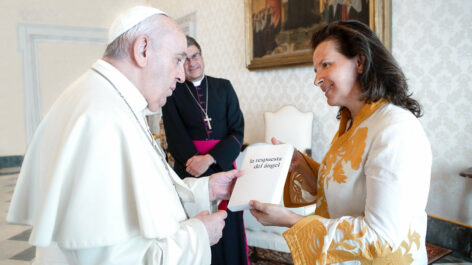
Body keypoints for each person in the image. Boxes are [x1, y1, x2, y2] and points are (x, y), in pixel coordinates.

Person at [7, 6, 243, 265]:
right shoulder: (102, 118)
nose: (180, 73)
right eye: (177, 59)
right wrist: (198, 235)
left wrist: (205, 189)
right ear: (143, 50)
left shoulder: (108, 100)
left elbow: (145, 192)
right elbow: (111, 259)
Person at [250, 20, 432, 264]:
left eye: (326, 65)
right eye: (316, 70)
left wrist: (290, 219)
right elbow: (344, 186)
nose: (317, 79)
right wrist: (300, 163)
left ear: (359, 61)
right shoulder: (350, 122)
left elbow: (380, 236)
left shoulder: (394, 128)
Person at [161, 36, 247, 265]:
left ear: (202, 56)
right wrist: (195, 162)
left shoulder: (223, 87)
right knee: (198, 228)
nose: (191, 63)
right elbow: (174, 135)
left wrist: (211, 159)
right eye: (185, 59)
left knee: (228, 228)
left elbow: (237, 131)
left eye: (195, 55)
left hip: (223, 166)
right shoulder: (173, 91)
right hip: (190, 171)